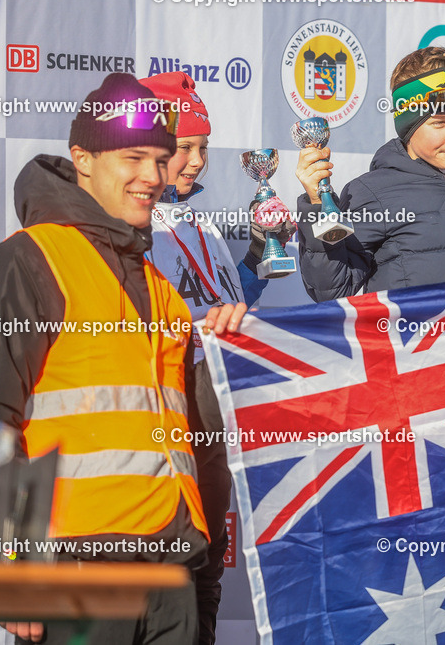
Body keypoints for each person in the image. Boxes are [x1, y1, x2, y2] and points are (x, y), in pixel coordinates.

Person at [0, 72, 246, 645]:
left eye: (162, 159)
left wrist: (226, 347)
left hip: (172, 580)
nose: (153, 177)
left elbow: (189, 439)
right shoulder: (30, 259)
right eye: (133, 157)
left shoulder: (159, 287)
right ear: (82, 158)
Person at [138, 71, 292, 645]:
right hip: (174, 410)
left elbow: (226, 301)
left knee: (207, 557)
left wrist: (257, 252)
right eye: (184, 148)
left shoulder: (198, 216)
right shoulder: (134, 224)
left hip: (218, 406)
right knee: (175, 558)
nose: (197, 161)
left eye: (203, 147)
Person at [295, 46, 445, 301]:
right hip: (412, 340)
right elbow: (332, 289)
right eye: (440, 122)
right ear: (408, 127)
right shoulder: (372, 192)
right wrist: (317, 205)